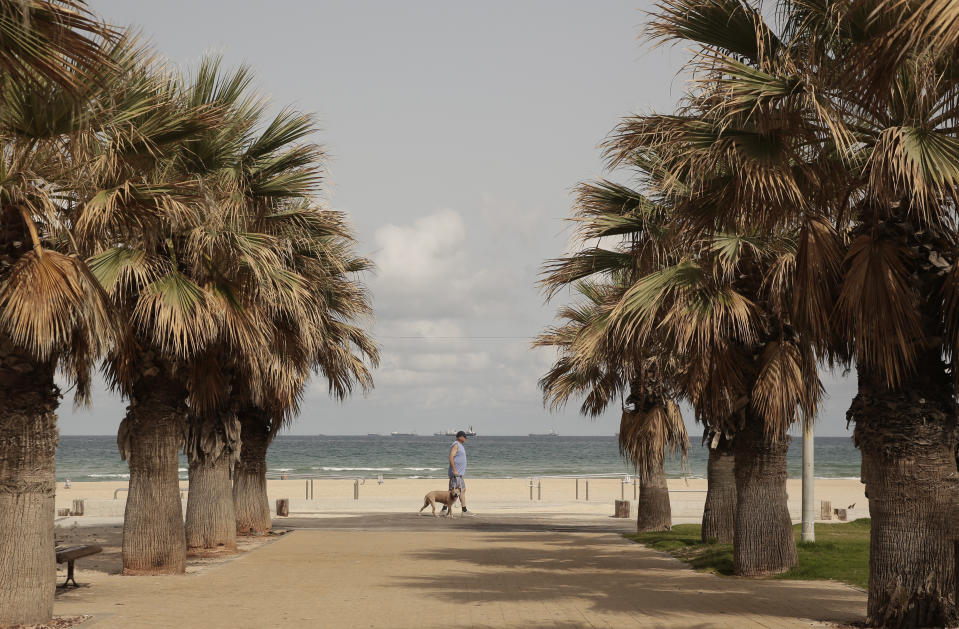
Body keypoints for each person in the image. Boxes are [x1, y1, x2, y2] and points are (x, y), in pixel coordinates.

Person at [443, 430, 473, 516]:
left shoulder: (460, 445)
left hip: (459, 474)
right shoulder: (456, 444)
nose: (466, 438)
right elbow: (451, 457)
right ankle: (444, 509)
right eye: (465, 437)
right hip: (456, 474)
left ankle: (464, 510)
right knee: (452, 491)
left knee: (462, 490)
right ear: (460, 437)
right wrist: (455, 470)